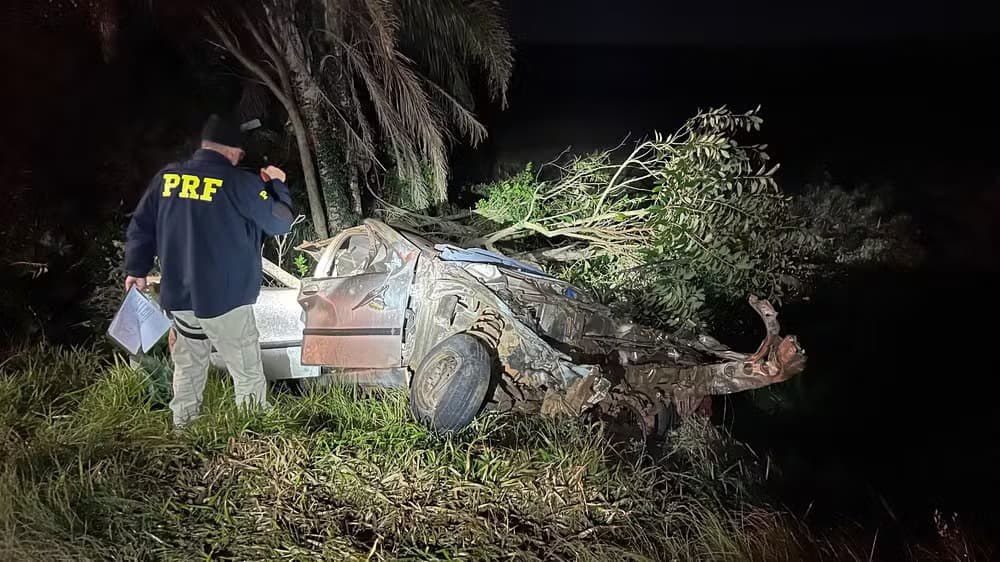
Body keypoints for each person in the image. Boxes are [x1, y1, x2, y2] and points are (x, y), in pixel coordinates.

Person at [124, 114, 295, 428]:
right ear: (233, 151)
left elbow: (142, 226)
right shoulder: (238, 183)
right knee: (246, 371)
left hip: (180, 299)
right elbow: (280, 221)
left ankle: (184, 430)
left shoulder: (167, 179)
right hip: (226, 301)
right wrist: (276, 185)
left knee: (188, 368)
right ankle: (252, 433)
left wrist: (136, 268)